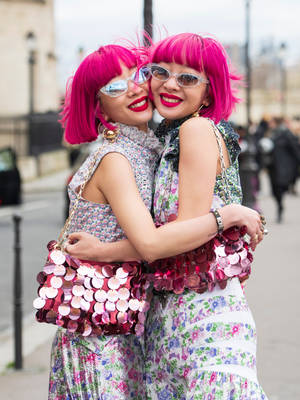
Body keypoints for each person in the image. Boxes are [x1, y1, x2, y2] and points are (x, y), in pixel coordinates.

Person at [50, 43, 263, 400]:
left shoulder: (165, 142)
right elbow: (155, 243)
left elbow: (184, 236)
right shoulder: (119, 156)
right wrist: (228, 215)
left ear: (210, 88)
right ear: (98, 106)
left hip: (146, 321)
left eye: (137, 74)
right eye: (114, 87)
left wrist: (232, 214)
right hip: (105, 328)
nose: (135, 87)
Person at [267, 116, 300, 222]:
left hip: (284, 167)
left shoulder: (287, 134)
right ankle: (280, 204)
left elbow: (296, 150)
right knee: (275, 189)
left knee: (281, 186)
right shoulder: (271, 134)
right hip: (273, 166)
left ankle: (280, 206)